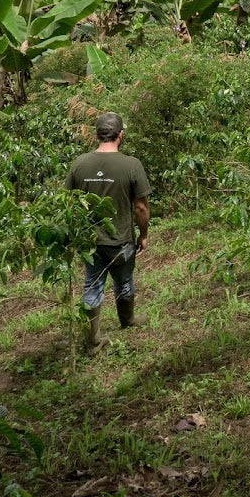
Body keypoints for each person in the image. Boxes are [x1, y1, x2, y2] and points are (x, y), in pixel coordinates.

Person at [66, 111, 151, 352]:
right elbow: (141, 207)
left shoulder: (79, 164)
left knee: (92, 286)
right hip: (121, 240)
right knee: (124, 281)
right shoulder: (131, 165)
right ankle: (128, 320)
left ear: (96, 135)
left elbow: (68, 204)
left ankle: (92, 340)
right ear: (120, 135)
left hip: (90, 242)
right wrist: (143, 235)